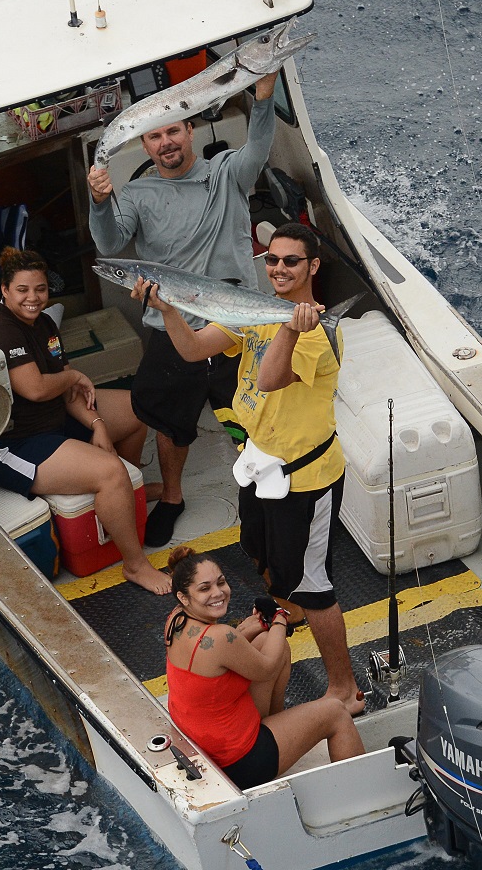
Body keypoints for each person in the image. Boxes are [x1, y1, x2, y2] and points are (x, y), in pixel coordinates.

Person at [135, 222, 365, 715]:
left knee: (315, 584)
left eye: (291, 262)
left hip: (307, 478)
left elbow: (268, 376)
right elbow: (194, 349)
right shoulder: (256, 311)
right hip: (261, 467)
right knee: (259, 552)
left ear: (313, 267)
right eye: (272, 260)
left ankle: (344, 688)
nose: (279, 269)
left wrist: (287, 325)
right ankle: (290, 609)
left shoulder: (315, 334)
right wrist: (167, 308)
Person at [86, 70, 281, 547]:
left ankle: (270, 494)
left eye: (174, 130)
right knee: (171, 427)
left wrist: (264, 93)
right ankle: (172, 497)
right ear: (145, 145)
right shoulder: (134, 195)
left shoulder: (228, 174)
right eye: (154, 135)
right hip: (173, 329)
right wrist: (99, 200)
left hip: (236, 325)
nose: (166, 141)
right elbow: (110, 241)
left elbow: (258, 144)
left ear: (191, 130)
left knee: (256, 417)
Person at [0, 248, 171, 595]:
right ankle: (136, 565)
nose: (33, 298)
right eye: (22, 290)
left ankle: (127, 497)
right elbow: (35, 388)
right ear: (4, 290)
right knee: (109, 471)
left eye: (40, 289)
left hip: (54, 420)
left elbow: (66, 391)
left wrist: (97, 423)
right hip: (15, 445)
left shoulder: (44, 322)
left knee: (138, 411)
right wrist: (75, 375)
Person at [164, 546, 363, 788]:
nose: (218, 593)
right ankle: (359, 792)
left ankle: (280, 728)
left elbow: (218, 656)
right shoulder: (220, 637)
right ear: (183, 596)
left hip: (203, 741)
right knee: (336, 712)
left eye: (221, 582)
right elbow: (267, 667)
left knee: (265, 643)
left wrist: (258, 626)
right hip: (240, 762)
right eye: (205, 588)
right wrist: (279, 617)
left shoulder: (175, 619)